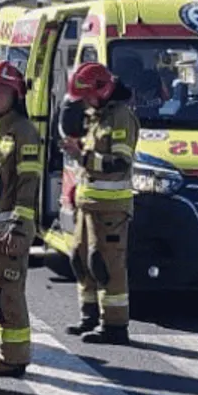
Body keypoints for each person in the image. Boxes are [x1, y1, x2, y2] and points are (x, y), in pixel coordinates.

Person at [60, 61, 139, 344]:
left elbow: (119, 163)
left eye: (88, 97)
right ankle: (89, 316)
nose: (85, 103)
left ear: (102, 91)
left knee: (107, 265)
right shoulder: (97, 116)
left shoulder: (121, 117)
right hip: (88, 204)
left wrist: (81, 156)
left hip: (111, 209)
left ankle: (114, 325)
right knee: (81, 260)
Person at [0, 60, 43, 378]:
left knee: (7, 293)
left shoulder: (24, 131)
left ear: (16, 96)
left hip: (12, 226)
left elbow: (28, 184)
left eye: (3, 93)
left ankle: (14, 358)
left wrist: (19, 227)